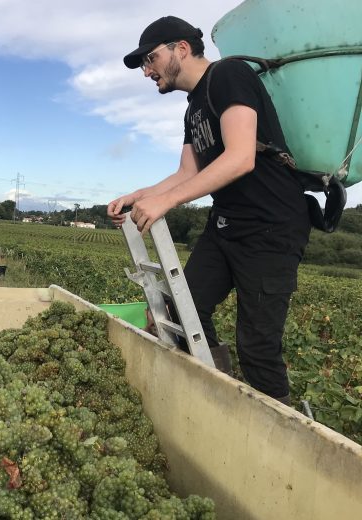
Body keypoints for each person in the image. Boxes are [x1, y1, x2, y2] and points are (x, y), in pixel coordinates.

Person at [107, 16, 311, 405]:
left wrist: (167, 201)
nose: (147, 71)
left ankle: (285, 440)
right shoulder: (193, 108)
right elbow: (187, 172)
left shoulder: (229, 76)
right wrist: (138, 195)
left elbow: (240, 158)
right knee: (185, 312)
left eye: (150, 59)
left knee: (257, 347)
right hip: (226, 225)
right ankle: (217, 400)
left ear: (181, 48)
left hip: (270, 227)